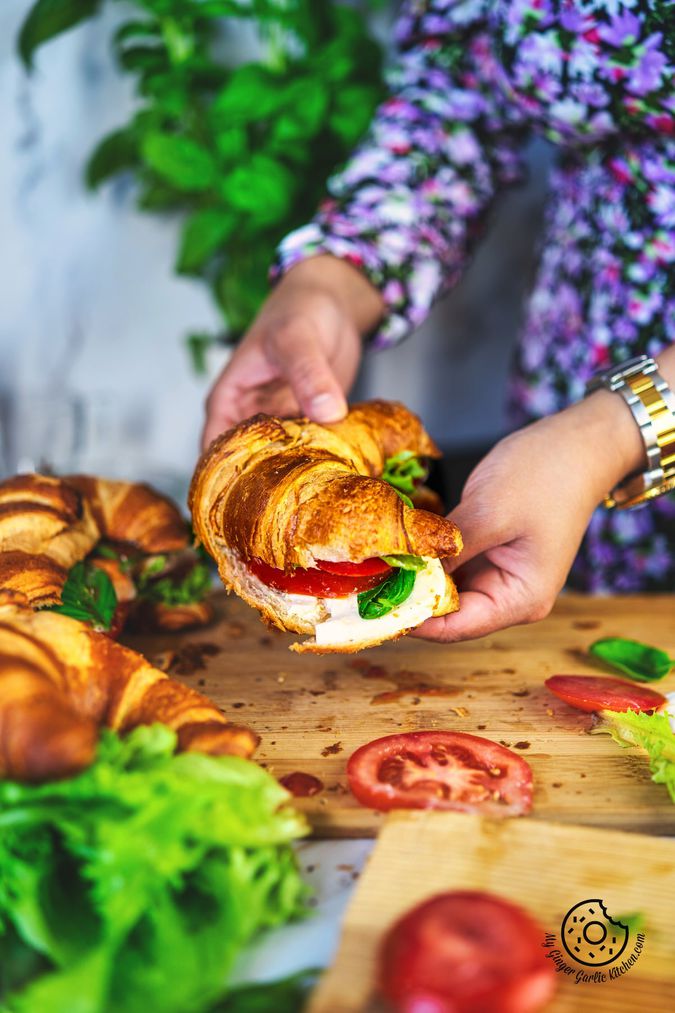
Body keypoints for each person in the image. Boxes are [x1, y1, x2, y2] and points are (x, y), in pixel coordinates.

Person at [202, 0, 675, 643]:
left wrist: (611, 435)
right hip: (557, 421)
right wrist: (332, 279)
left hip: (591, 440)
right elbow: (459, 93)